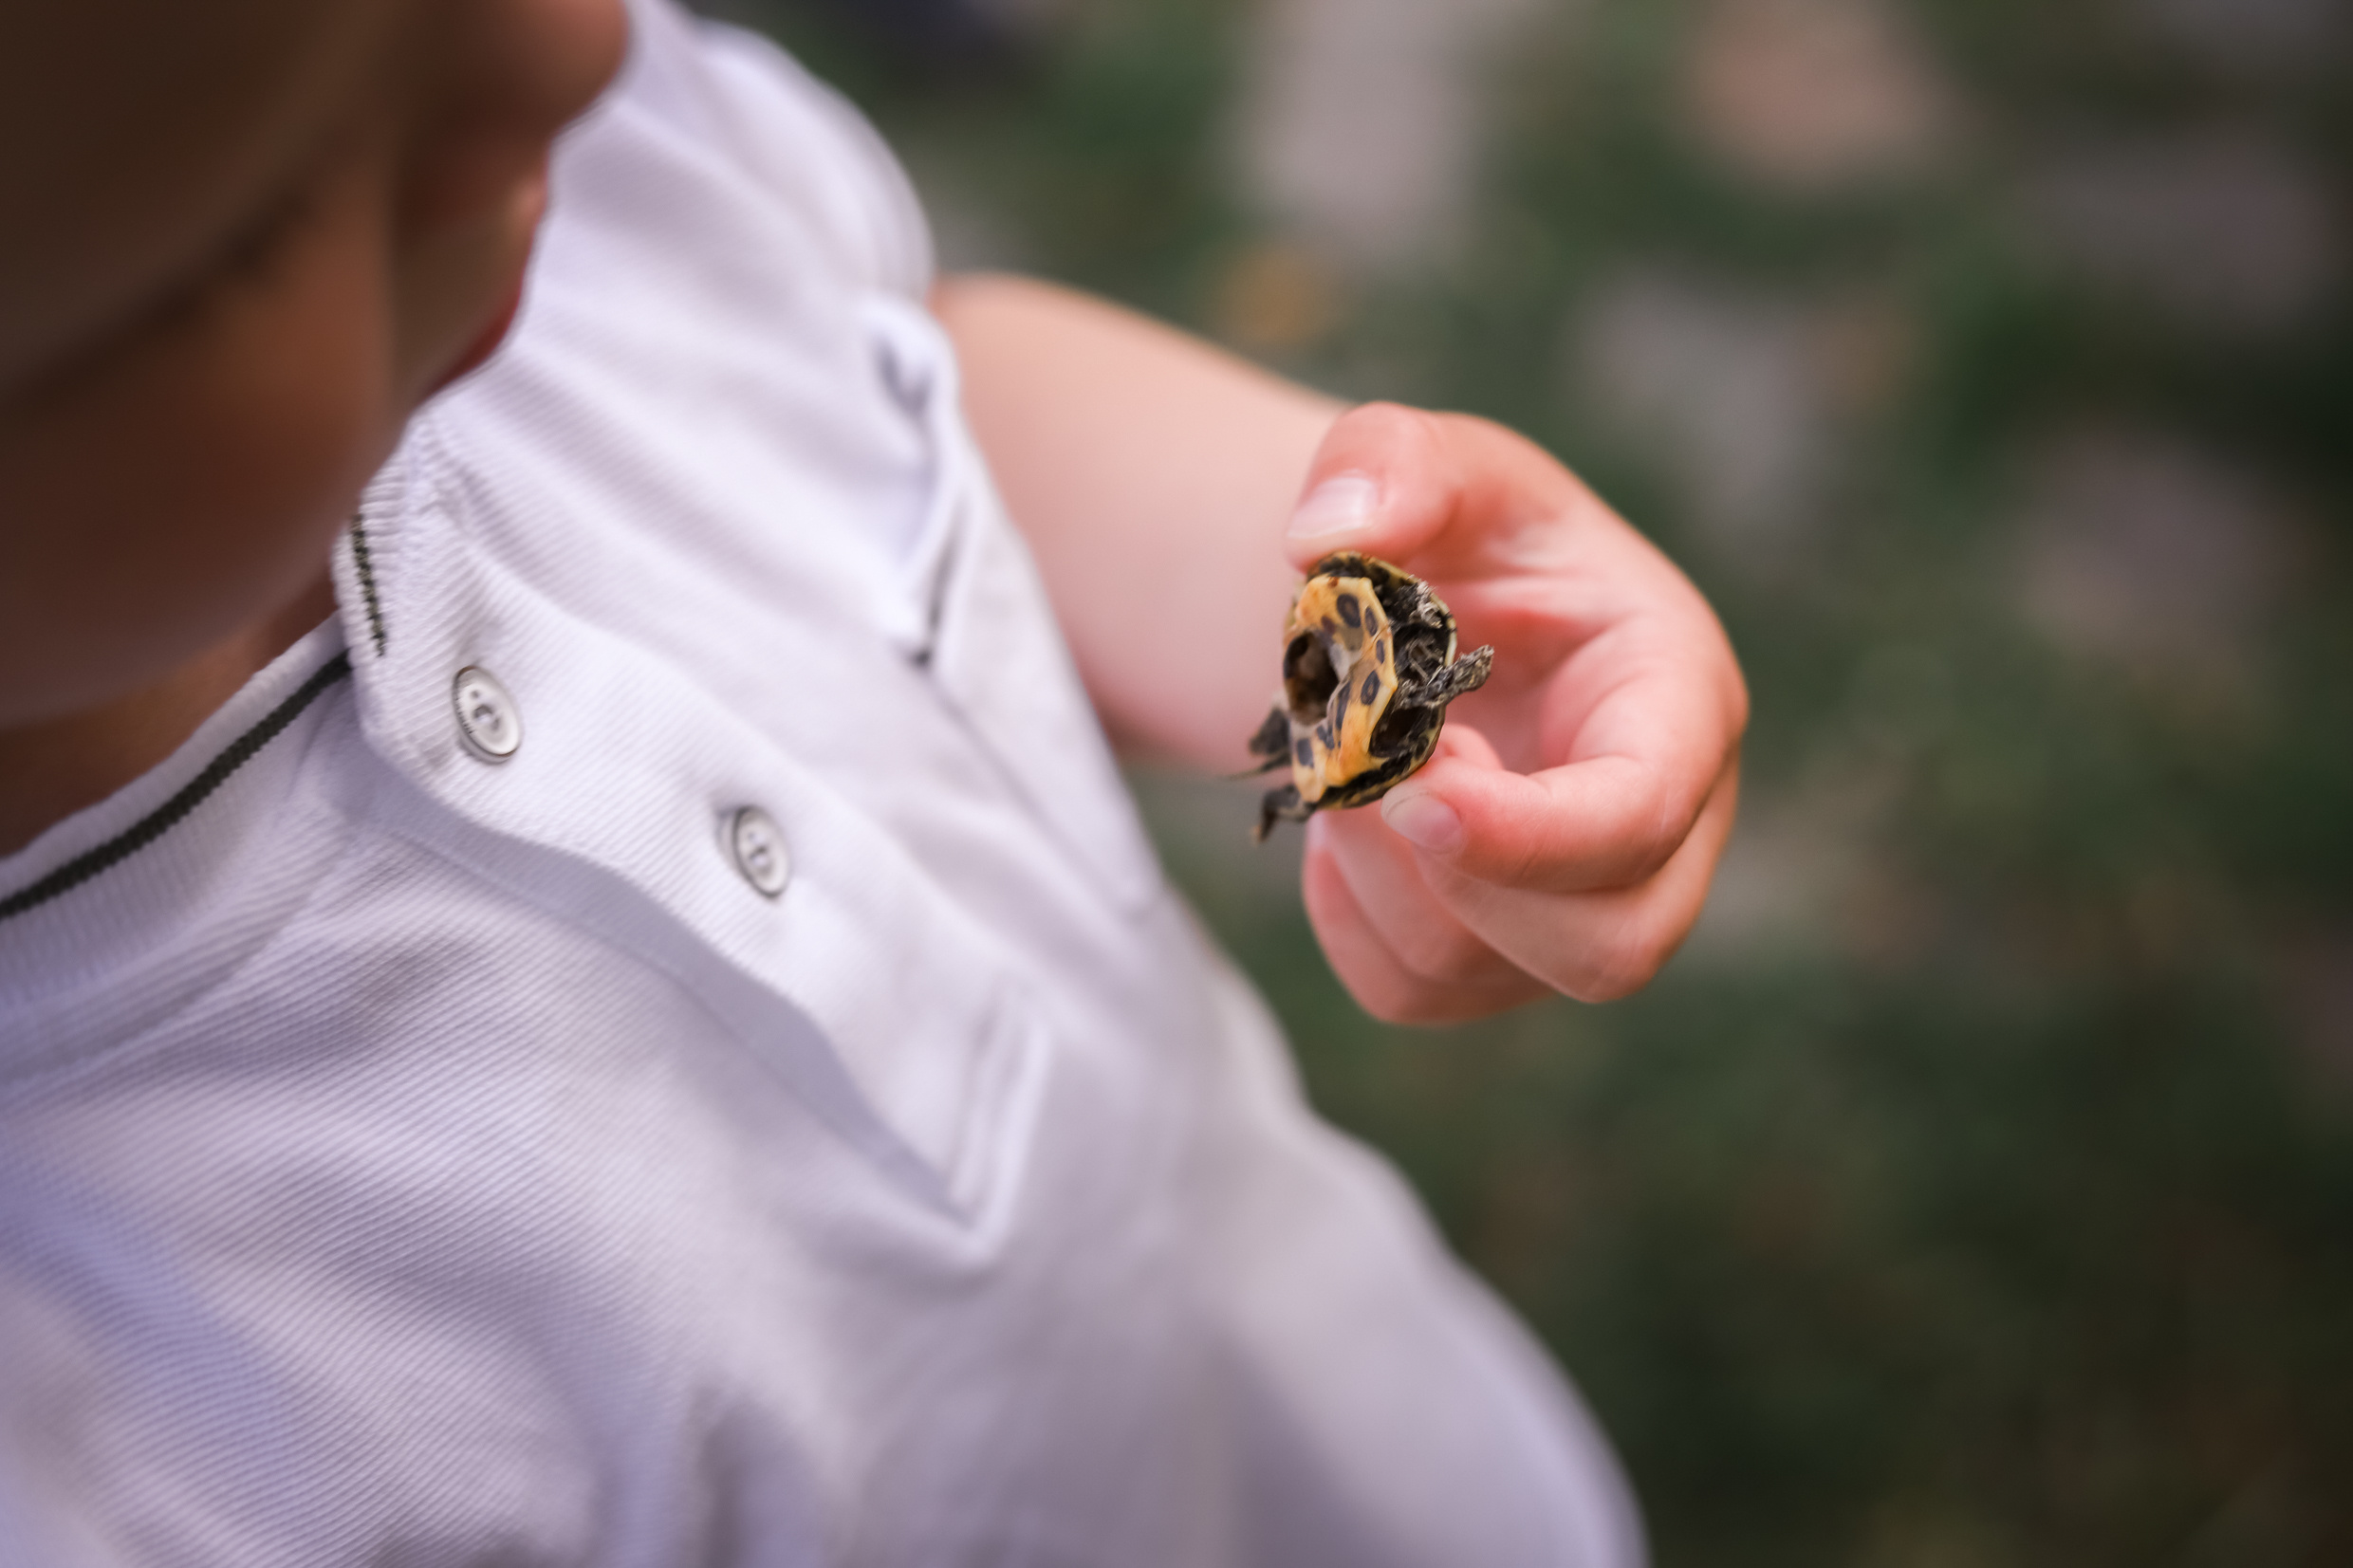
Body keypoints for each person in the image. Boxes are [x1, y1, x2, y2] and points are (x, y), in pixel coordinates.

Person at [0, 0, 1745, 1562]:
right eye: (266, 213)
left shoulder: (585, 192)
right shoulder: (98, 1440)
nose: (579, 47)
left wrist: (1346, 621)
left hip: (1309, 1430)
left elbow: (899, 401)